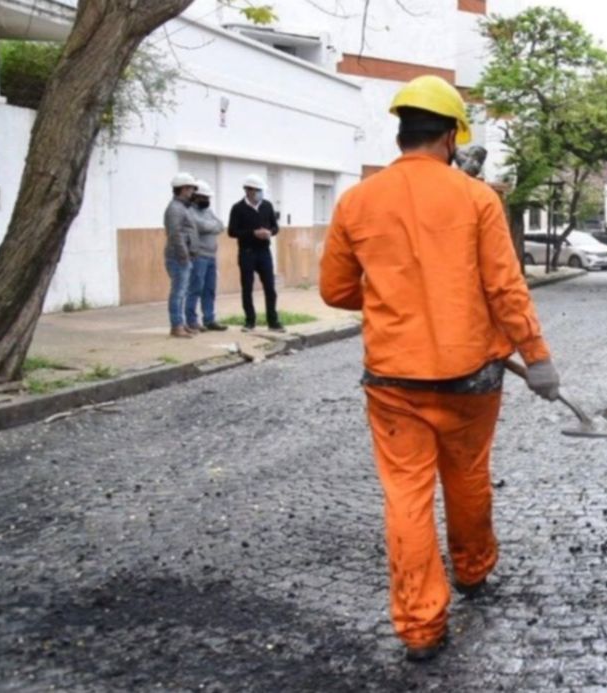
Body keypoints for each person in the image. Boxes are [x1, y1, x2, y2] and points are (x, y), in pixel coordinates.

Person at [320, 74, 561, 664]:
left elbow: (334, 290)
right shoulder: (477, 199)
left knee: (406, 496)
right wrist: (537, 357)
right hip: (471, 378)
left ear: (401, 131)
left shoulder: (357, 200)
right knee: (468, 477)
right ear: (452, 136)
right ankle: (474, 571)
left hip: (393, 380)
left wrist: (391, 302)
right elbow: (505, 287)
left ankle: (420, 627)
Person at [227, 174, 282, 332]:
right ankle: (250, 321)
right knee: (247, 287)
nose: (260, 193)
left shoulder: (267, 205)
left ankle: (273, 321)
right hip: (247, 252)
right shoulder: (238, 208)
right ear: (248, 191)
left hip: (264, 251)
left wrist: (269, 232)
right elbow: (232, 231)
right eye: (257, 190)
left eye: (261, 190)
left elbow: (275, 227)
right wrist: (253, 233)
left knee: (270, 287)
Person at [185, 180, 228, 332]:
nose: (207, 201)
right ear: (195, 196)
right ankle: (191, 321)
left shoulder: (208, 211)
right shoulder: (189, 211)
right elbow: (200, 226)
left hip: (211, 256)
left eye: (208, 198)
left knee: (209, 289)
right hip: (198, 255)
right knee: (195, 288)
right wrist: (211, 226)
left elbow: (221, 225)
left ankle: (209, 319)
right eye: (204, 197)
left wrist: (210, 226)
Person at [163, 172, 198, 339]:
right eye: (191, 188)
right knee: (178, 292)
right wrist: (184, 255)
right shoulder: (175, 208)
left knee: (182, 292)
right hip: (178, 257)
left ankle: (181, 323)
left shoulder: (183, 207)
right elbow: (175, 234)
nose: (193, 192)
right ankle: (176, 325)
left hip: (184, 256)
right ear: (183, 189)